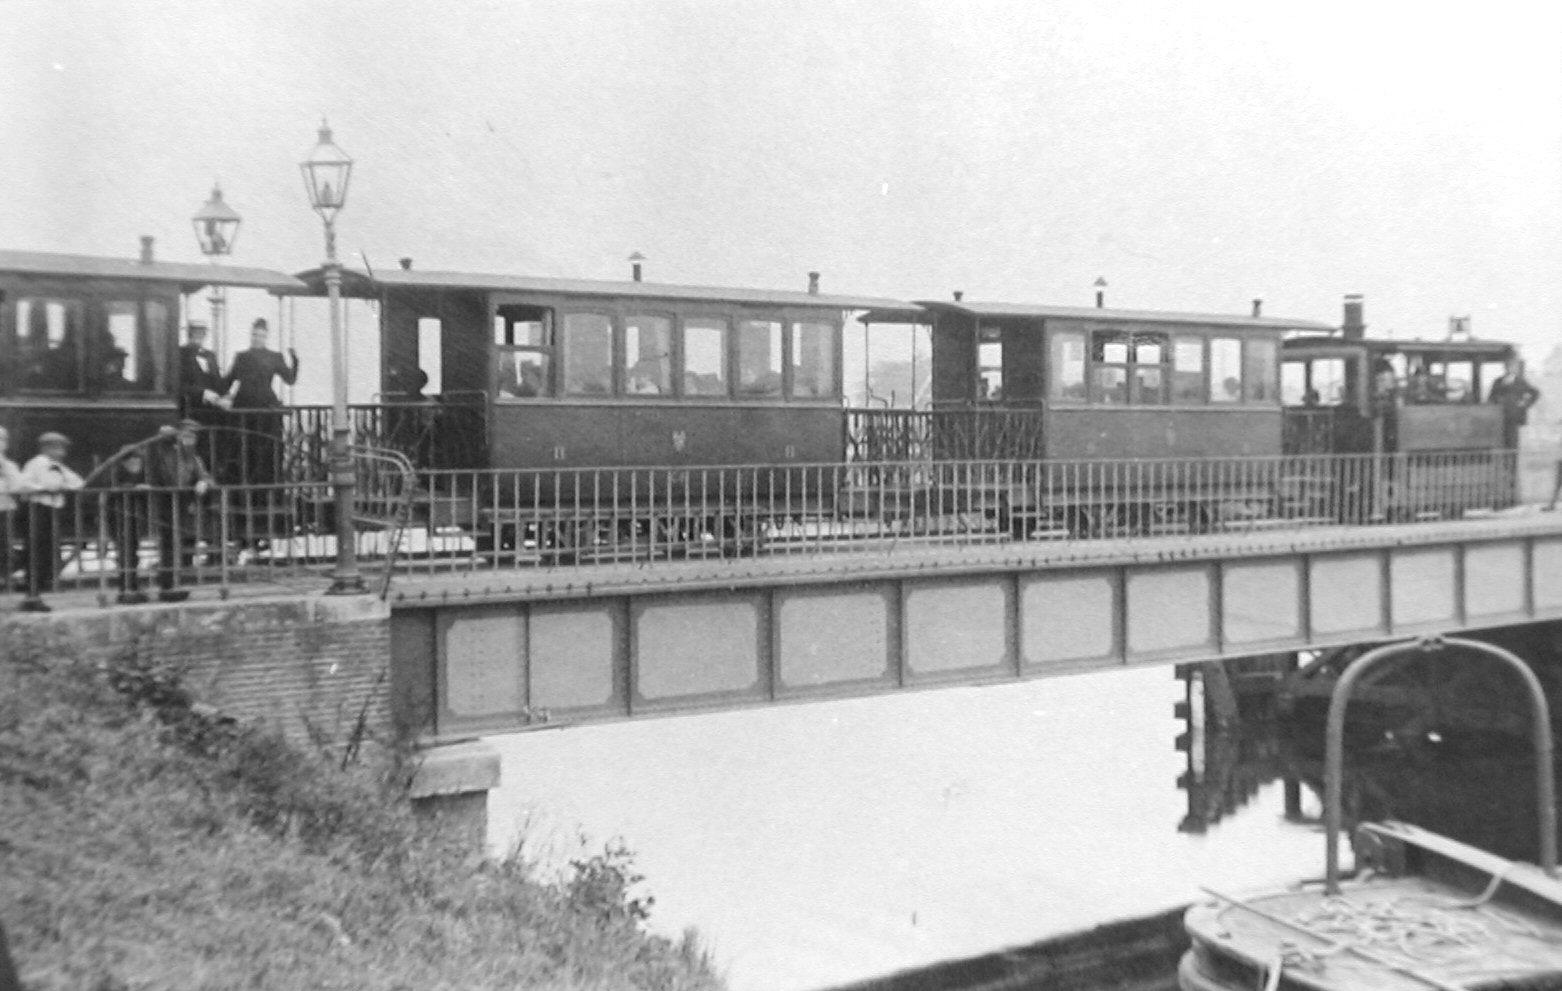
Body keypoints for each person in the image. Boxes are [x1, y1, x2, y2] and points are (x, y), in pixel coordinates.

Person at [221, 318, 298, 483]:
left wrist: (295, 361)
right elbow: (226, 383)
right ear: (251, 335)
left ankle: (267, 487)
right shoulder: (241, 357)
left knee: (267, 449)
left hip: (265, 409)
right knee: (244, 448)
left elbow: (290, 379)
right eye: (255, 335)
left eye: (261, 335)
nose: (257, 338)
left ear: (266, 337)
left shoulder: (274, 357)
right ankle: (243, 486)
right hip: (244, 408)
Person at [146, 419, 214, 602]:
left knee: (178, 543)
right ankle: (168, 586)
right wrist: (164, 434)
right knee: (169, 543)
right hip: (166, 500)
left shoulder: (194, 459)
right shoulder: (167, 453)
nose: (189, 441)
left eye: (192, 437)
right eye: (186, 436)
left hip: (182, 503)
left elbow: (206, 476)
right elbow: (157, 451)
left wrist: (203, 482)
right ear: (179, 437)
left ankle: (173, 583)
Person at [18, 431, 85, 611]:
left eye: (62, 448)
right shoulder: (36, 463)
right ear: (46, 448)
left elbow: (78, 482)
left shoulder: (59, 466)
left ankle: (40, 589)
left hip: (52, 510)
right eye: (57, 448)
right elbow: (22, 484)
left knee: (48, 549)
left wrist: (62, 487)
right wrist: (44, 488)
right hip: (36, 508)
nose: (61, 452)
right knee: (35, 550)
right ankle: (32, 592)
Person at [103, 446, 153, 604]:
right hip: (119, 517)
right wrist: (132, 488)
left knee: (132, 553)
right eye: (131, 459)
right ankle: (126, 588)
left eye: (137, 459)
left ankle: (133, 586)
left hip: (134, 517)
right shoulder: (116, 472)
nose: (135, 462)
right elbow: (112, 488)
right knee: (125, 553)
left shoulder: (143, 474)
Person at [178, 322, 229, 423]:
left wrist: (226, 395)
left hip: (211, 410)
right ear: (189, 334)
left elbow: (217, 381)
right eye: (195, 333)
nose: (198, 337)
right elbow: (179, 384)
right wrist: (203, 393)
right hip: (190, 409)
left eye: (201, 334)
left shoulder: (210, 355)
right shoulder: (180, 354)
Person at [1487, 357, 1540, 450]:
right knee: (1499, 442)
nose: (1510, 369)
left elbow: (1535, 393)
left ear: (1516, 368)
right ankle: (1501, 463)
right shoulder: (1498, 381)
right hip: (1498, 416)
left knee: (1512, 443)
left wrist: (1525, 404)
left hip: (1514, 416)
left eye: (1513, 367)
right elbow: (1491, 397)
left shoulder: (1521, 382)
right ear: (1505, 368)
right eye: (1508, 367)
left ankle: (1511, 463)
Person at [0, 427, 27, 595]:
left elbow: (19, 485)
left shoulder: (8, 465)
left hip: (4, 509)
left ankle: (6, 579)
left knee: (4, 546)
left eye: (3, 440)